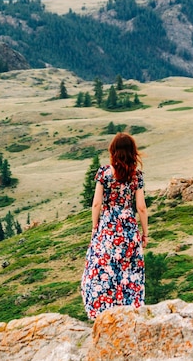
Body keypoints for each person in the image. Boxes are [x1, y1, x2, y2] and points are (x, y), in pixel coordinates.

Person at [81, 132, 148, 319]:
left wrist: (95, 228)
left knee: (103, 271)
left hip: (108, 228)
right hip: (129, 229)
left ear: (113, 151)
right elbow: (141, 207)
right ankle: (131, 313)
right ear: (132, 152)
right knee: (130, 273)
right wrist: (145, 234)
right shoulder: (137, 177)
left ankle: (103, 313)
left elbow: (96, 204)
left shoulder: (104, 173)